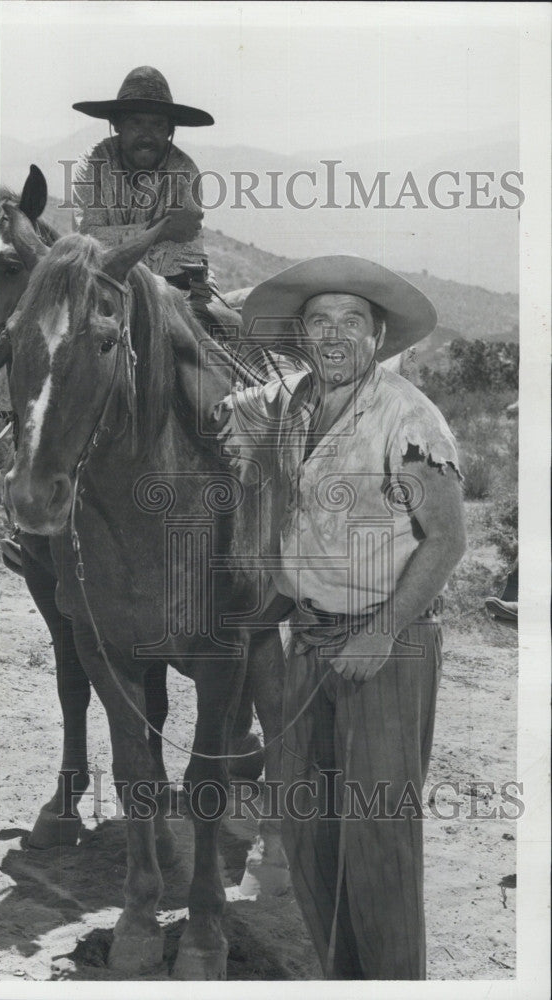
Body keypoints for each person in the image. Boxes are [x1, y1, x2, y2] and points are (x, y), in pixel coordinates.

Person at [214, 254, 467, 979]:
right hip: (307, 641)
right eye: (318, 321)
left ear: (377, 335)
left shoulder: (408, 416)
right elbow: (221, 406)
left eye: (350, 322)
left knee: (377, 833)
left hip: (385, 645)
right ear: (300, 335)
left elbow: (447, 540)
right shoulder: (291, 399)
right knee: (305, 825)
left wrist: (382, 631)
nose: (333, 334)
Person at [71, 66, 242, 337]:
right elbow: (89, 242)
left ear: (169, 130)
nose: (147, 134)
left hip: (174, 294)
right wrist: (160, 229)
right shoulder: (92, 164)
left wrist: (126, 240)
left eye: (157, 125)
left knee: (218, 349)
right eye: (136, 123)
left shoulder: (184, 171)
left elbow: (182, 259)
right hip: (102, 287)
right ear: (117, 125)